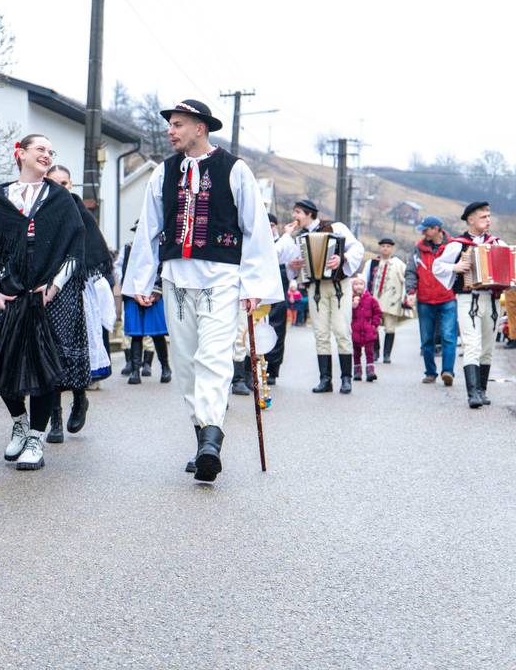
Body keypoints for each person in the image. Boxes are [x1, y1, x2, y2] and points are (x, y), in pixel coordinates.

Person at [124, 100, 283, 483]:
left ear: (200, 127)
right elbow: (147, 230)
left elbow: (255, 229)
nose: (171, 131)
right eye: (170, 125)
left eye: (177, 124)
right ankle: (202, 441)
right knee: (185, 363)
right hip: (177, 277)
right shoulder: (163, 173)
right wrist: (142, 283)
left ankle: (212, 440)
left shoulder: (234, 169)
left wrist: (254, 284)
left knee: (214, 357)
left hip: (222, 277)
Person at [0, 135, 88, 471]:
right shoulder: (0, 196)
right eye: (41, 149)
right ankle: (20, 422)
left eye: (52, 151)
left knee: (44, 369)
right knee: (0, 360)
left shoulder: (59, 198)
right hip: (8, 293)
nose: (47, 155)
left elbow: (74, 247)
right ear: (20, 153)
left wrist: (54, 285)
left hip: (46, 295)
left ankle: (36, 437)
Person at [45, 164, 112, 440]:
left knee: (74, 349)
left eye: (65, 183)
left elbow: (93, 245)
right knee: (48, 353)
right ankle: (55, 419)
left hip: (76, 287)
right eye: (55, 182)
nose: (61, 188)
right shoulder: (40, 208)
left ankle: (79, 398)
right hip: (45, 289)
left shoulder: (76, 208)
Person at [274, 199, 364, 395]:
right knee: (320, 333)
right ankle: (326, 380)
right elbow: (290, 264)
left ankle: (346, 379)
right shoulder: (300, 238)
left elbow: (357, 248)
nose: (294, 216)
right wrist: (294, 266)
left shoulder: (335, 227)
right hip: (315, 287)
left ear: (309, 214)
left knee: (341, 330)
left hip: (339, 285)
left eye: (297, 212)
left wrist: (343, 258)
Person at [434, 202, 508, 408]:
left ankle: (482, 390)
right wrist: (455, 267)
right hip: (468, 298)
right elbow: (437, 266)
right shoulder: (458, 244)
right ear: (471, 220)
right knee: (472, 344)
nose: (488, 220)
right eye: (484, 217)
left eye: (489, 216)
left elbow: (511, 267)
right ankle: (472, 393)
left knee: (487, 347)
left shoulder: (498, 243)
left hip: (492, 300)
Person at [403, 216, 457, 385]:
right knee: (427, 339)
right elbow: (411, 272)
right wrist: (410, 291)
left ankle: (447, 371)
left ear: (436, 228)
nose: (423, 233)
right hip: (425, 300)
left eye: (426, 229)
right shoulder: (418, 249)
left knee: (448, 336)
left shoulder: (453, 246)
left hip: (448, 298)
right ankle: (430, 372)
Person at [119, 226, 171, 385]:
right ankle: (135, 370)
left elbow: (162, 268)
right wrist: (131, 292)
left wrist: (156, 290)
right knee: (136, 333)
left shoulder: (160, 245)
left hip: (154, 292)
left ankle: (165, 367)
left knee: (156, 333)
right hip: (133, 293)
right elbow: (125, 271)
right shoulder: (129, 248)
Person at [360, 237, 409, 364]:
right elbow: (364, 280)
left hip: (392, 301)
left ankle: (387, 354)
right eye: (383, 246)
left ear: (392, 248)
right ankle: (376, 351)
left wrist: (405, 296)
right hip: (374, 301)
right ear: (379, 247)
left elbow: (406, 279)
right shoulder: (372, 263)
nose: (385, 248)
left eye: (388, 246)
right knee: (373, 327)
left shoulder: (399, 264)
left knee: (390, 328)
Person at [263, 214, 291, 385]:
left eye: (272, 224)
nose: (270, 227)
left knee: (277, 330)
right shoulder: (258, 242)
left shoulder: (284, 243)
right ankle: (253, 367)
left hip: (280, 292)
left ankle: (273, 369)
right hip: (261, 293)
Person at [350, 276, 382, 382]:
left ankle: (370, 371)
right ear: (352, 287)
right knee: (356, 352)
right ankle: (357, 372)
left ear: (364, 285)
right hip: (355, 330)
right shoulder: (349, 300)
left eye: (361, 284)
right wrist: (353, 305)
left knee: (369, 352)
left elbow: (378, 312)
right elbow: (346, 314)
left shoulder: (371, 299)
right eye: (356, 284)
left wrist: (374, 325)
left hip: (368, 330)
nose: (358, 286)